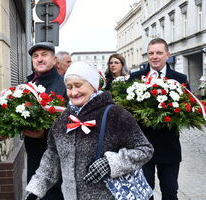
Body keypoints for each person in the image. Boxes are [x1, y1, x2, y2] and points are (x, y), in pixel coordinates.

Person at [25, 62, 153, 199]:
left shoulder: (116, 115)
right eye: (69, 87)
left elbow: (145, 149)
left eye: (78, 85)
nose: (73, 92)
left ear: (93, 85)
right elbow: (52, 157)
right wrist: (35, 190)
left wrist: (111, 163)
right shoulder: (62, 121)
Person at [129, 38, 190, 200]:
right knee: (144, 193)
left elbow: (188, 111)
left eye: (158, 53)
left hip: (169, 146)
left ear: (167, 55)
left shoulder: (180, 79)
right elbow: (125, 111)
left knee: (170, 193)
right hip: (143, 147)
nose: (154, 57)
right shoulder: (135, 78)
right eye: (151, 53)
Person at [23, 42, 67, 200]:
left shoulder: (65, 85)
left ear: (55, 60)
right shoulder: (27, 86)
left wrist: (43, 134)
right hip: (34, 158)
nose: (39, 59)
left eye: (44, 55)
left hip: (58, 163)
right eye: (35, 56)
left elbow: (72, 124)